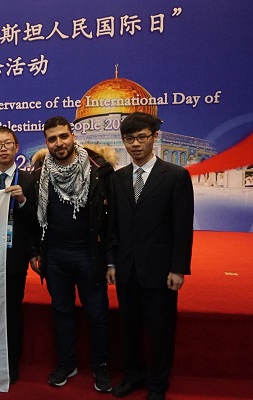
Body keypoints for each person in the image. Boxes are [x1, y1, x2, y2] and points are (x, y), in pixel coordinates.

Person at [106, 112, 194, 400]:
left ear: (155, 137)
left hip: (160, 270)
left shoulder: (176, 176)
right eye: (129, 139)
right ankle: (132, 375)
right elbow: (113, 225)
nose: (135, 144)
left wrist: (178, 268)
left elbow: (182, 226)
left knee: (160, 331)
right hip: (126, 268)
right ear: (123, 141)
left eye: (142, 137)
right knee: (128, 328)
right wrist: (111, 261)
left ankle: (157, 383)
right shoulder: (117, 178)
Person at [32, 116, 113, 392]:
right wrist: (36, 251)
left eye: (63, 136)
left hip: (89, 255)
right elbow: (35, 218)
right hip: (55, 256)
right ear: (46, 143)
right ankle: (67, 363)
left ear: (73, 136)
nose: (59, 143)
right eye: (52, 139)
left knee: (97, 313)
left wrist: (110, 257)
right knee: (61, 311)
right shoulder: (39, 173)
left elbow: (112, 218)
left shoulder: (100, 169)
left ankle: (101, 366)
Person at [0, 126, 39, 383]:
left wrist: (23, 201)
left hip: (15, 255)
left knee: (12, 309)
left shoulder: (30, 180)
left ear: (16, 147)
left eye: (8, 143)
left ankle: (11, 363)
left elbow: (37, 220)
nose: (3, 148)